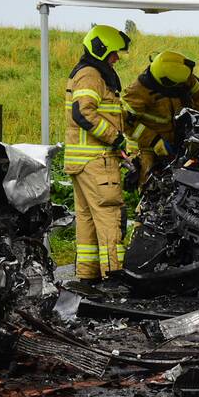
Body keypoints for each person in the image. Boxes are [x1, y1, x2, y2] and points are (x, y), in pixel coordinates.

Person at [64, 25, 131, 285]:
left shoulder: (88, 73)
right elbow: (83, 113)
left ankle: (88, 275)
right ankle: (114, 276)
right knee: (109, 216)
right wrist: (116, 139)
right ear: (100, 49)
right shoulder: (91, 75)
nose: (116, 58)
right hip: (97, 161)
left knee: (87, 220)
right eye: (114, 54)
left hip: (83, 162)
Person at [122, 50, 199, 187]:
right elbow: (126, 122)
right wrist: (154, 141)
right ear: (166, 82)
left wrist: (193, 122)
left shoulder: (184, 76)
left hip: (181, 140)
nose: (183, 85)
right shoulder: (138, 91)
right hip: (148, 148)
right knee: (151, 185)